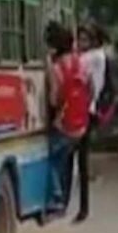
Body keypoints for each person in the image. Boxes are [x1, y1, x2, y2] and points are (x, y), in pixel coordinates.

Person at [45, 22, 90, 216]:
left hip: (64, 124)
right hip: (81, 123)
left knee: (52, 161)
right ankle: (63, 201)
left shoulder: (57, 67)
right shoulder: (79, 62)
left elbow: (54, 98)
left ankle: (57, 198)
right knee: (65, 161)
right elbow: (90, 87)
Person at [74, 22, 108, 224]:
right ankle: (82, 206)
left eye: (85, 39)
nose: (81, 43)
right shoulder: (96, 57)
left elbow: (89, 82)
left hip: (85, 111)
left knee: (81, 159)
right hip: (87, 110)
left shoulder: (93, 57)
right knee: (80, 159)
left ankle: (83, 207)